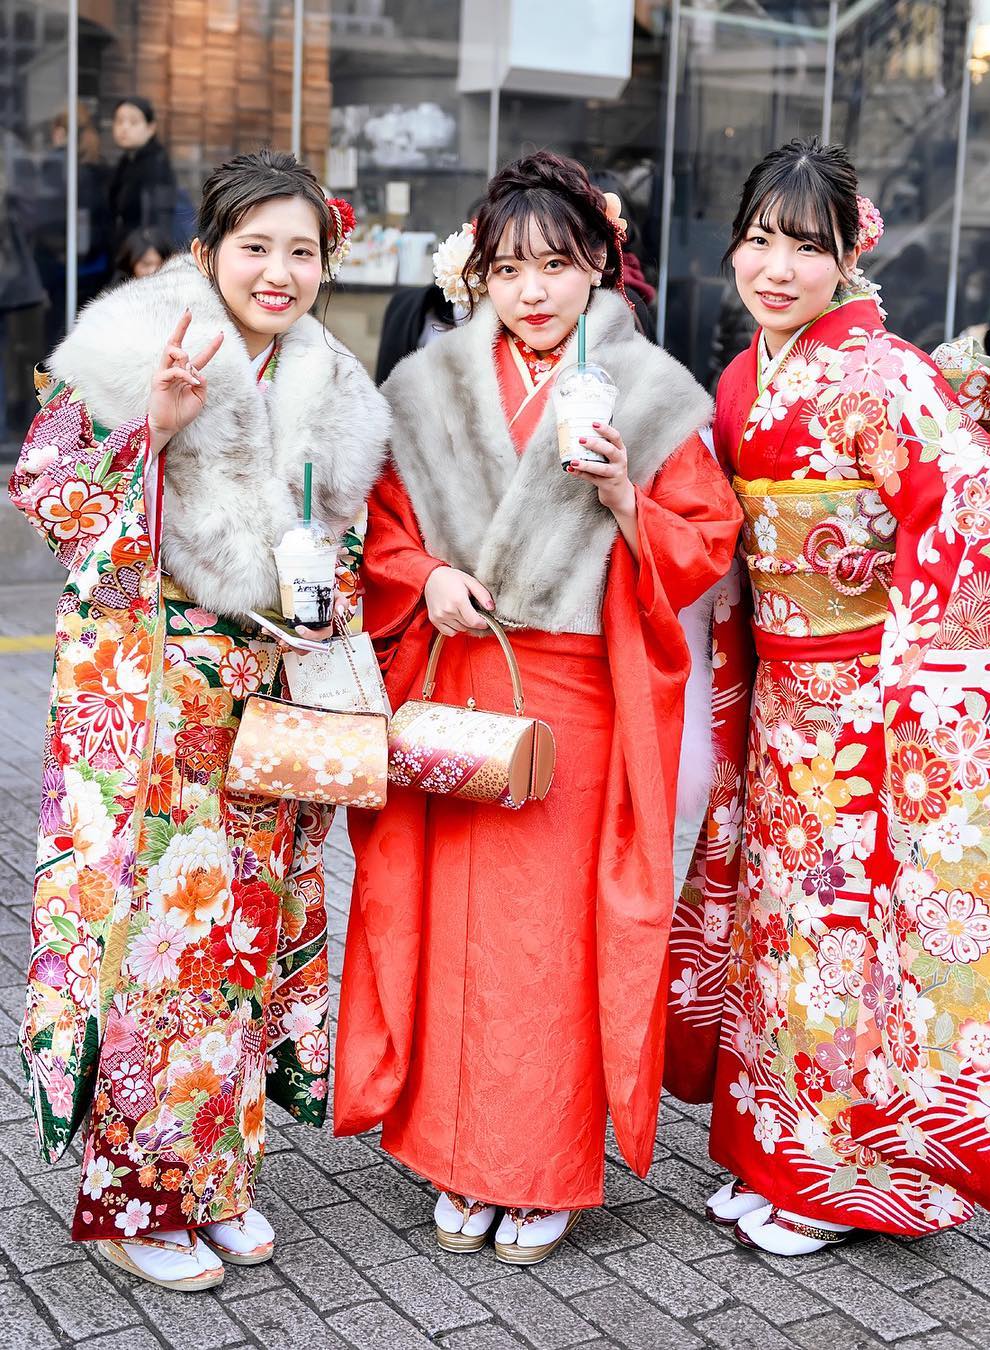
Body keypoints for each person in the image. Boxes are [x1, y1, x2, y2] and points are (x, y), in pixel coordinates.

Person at [664, 138, 990, 1256]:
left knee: (848, 942)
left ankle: (859, 1178)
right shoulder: (749, 375)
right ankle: (778, 1156)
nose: (778, 267)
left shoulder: (885, 373)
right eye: (760, 240)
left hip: (865, 709)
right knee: (779, 936)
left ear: (851, 254)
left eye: (808, 245)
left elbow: (956, 510)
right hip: (780, 702)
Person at [335, 149, 741, 1264]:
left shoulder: (653, 392)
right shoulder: (428, 384)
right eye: (508, 266)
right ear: (478, 274)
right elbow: (383, 529)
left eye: (557, 264)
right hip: (462, 683)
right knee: (455, 931)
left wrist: (620, 492)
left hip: (575, 701)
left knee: (552, 942)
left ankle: (543, 1169)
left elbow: (705, 544)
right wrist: (427, 582)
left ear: (601, 266)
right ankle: (458, 1157)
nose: (532, 289)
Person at [9, 149, 389, 1291]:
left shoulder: (333, 383)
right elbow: (49, 498)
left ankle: (215, 1184)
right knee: (163, 945)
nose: (278, 272)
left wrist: (328, 600)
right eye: (255, 247)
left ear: (330, 262)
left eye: (302, 252)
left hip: (271, 698)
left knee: (249, 944)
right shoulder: (134, 350)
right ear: (208, 248)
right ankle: (134, 1198)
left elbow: (348, 549)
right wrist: (154, 431)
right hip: (158, 696)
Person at [108, 97, 178, 252]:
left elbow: (159, 219)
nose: (124, 128)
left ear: (151, 128)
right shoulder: (126, 162)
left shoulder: (156, 165)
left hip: (145, 256)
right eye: (119, 121)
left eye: (133, 122)